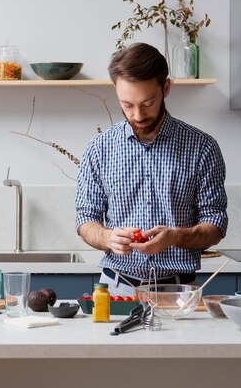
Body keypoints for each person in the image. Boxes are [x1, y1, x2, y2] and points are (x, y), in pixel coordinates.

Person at [75, 42, 228, 297]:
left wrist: (174, 237)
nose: (137, 114)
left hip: (178, 291)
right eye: (127, 104)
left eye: (148, 102)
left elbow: (215, 224)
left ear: (165, 88)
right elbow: (85, 220)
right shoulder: (98, 149)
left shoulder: (202, 147)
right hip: (116, 288)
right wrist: (107, 237)